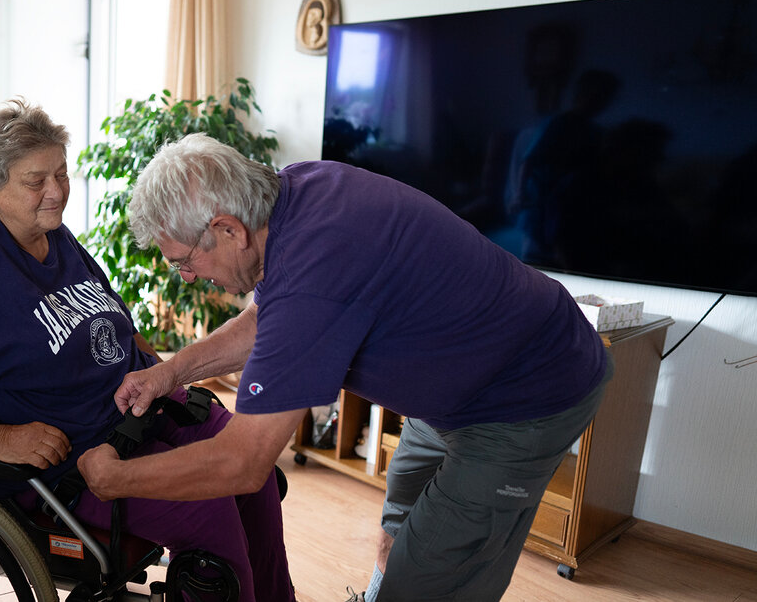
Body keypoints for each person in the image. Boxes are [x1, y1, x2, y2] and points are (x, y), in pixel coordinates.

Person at [77, 133, 613, 601]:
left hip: (525, 396)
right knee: (401, 506)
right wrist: (169, 373)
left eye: (185, 261)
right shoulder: (291, 191)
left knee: (431, 579)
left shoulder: (316, 270)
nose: (189, 278)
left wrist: (118, 479)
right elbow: (269, 318)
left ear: (228, 230)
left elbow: (242, 462)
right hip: (467, 380)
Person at [0, 99, 294, 602]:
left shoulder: (58, 238)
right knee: (210, 511)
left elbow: (119, 326)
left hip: (146, 412)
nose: (56, 193)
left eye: (62, 174)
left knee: (255, 470)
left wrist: (161, 373)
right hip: (76, 462)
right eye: (35, 181)